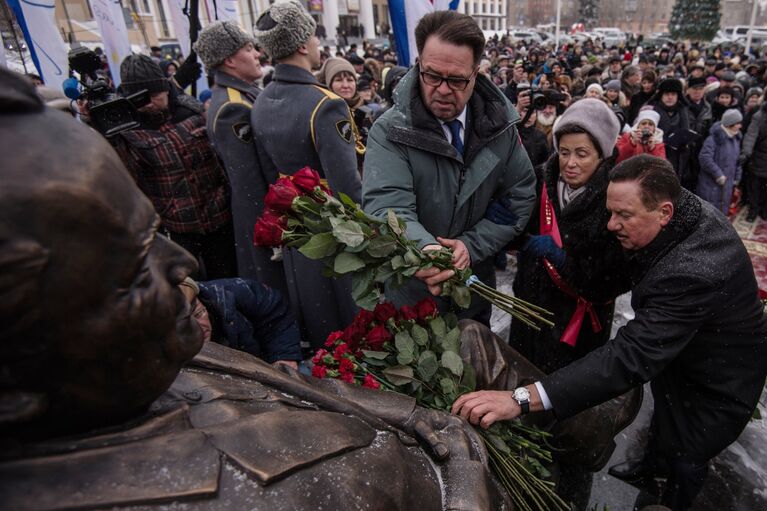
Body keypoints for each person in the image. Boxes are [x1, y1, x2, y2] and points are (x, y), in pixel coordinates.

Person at [0, 67, 508, 511]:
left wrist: (417, 415)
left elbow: (284, 382)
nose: (180, 264)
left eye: (152, 236)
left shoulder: (153, 363)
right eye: (133, 268)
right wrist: (460, 454)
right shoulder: (283, 492)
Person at [453, 155, 767, 511]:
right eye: (610, 212)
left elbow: (630, 356)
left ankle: (669, 497)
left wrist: (519, 399)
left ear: (664, 212)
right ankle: (648, 468)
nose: (611, 225)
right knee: (664, 420)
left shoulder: (694, 270)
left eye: (624, 216)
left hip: (720, 375)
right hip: (682, 353)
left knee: (690, 451)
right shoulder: (679, 213)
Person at [362, 10, 536, 324]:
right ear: (418, 67)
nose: (443, 89)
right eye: (432, 75)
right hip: (412, 296)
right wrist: (426, 249)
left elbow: (517, 198)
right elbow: (388, 207)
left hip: (473, 292)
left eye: (456, 80)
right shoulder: (389, 132)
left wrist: (471, 246)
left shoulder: (500, 128)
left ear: (477, 74)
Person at [251, 0, 362, 349]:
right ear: (301, 44)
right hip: (333, 229)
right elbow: (347, 187)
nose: (316, 45)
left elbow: (271, 173)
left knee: (317, 316)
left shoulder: (262, 100)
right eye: (313, 37)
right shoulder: (325, 103)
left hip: (294, 223)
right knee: (350, 316)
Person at [507, 98, 631, 374]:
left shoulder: (615, 201)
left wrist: (566, 260)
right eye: (564, 152)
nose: (570, 163)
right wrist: (515, 235)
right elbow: (515, 231)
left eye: (582, 154)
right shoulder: (540, 180)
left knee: (563, 395)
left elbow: (616, 277)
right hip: (528, 308)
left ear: (602, 155)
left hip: (575, 325)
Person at [112, 54, 236, 280]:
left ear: (167, 88)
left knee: (229, 280)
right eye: (140, 98)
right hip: (177, 229)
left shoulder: (192, 112)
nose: (149, 103)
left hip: (219, 219)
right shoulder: (127, 131)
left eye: (155, 95)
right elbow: (127, 181)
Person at [195, 21, 288, 293]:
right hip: (262, 221)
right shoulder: (232, 107)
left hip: (267, 214)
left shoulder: (242, 95)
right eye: (249, 49)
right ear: (230, 60)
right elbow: (249, 186)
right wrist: (273, 230)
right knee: (275, 292)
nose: (257, 54)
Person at [316, 57, 373, 173]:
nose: (345, 85)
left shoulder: (363, 108)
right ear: (329, 84)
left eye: (350, 79)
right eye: (338, 80)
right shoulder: (324, 113)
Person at [650, 78, 696, 190]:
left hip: (680, 158)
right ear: (661, 95)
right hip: (658, 156)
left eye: (673, 94)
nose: (670, 97)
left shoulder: (683, 111)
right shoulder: (653, 111)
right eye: (667, 94)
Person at [697, 109, 743, 215]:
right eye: (737, 123)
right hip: (711, 184)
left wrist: (737, 178)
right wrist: (718, 174)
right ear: (730, 124)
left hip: (727, 183)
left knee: (722, 210)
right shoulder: (713, 139)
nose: (740, 126)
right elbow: (704, 157)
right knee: (710, 212)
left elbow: (737, 161)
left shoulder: (736, 138)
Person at [739, 97, 767, 221]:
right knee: (754, 187)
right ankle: (754, 210)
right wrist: (746, 153)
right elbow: (751, 135)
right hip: (758, 157)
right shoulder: (759, 116)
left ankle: (764, 210)